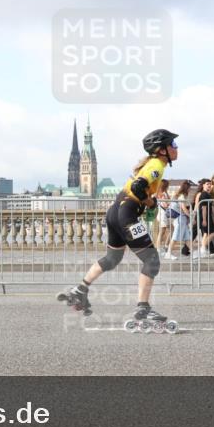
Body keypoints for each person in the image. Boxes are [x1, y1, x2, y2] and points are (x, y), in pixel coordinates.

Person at [57, 129, 180, 331]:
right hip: (128, 213)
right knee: (152, 260)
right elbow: (140, 187)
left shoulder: (152, 163)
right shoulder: (156, 165)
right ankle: (143, 309)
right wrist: (150, 203)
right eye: (173, 145)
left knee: (112, 258)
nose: (176, 149)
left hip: (114, 211)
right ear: (162, 150)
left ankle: (80, 289)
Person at [192, 177, 214, 258]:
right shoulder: (204, 194)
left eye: (210, 184)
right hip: (205, 217)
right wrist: (204, 219)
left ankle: (203, 249)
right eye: (207, 184)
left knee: (206, 234)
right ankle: (202, 248)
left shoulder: (207, 194)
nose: (209, 186)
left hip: (206, 217)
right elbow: (203, 207)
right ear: (203, 185)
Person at [165, 180, 192, 260]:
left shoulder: (178, 195)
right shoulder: (182, 196)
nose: (190, 190)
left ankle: (193, 253)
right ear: (186, 188)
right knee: (175, 236)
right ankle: (168, 253)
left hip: (180, 218)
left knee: (187, 237)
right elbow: (183, 208)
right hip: (180, 218)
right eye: (189, 188)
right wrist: (190, 215)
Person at [154, 179, 172, 251]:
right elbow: (165, 205)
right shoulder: (163, 193)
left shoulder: (161, 193)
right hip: (163, 214)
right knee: (162, 231)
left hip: (163, 213)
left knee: (167, 230)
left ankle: (164, 246)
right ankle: (159, 248)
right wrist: (170, 203)